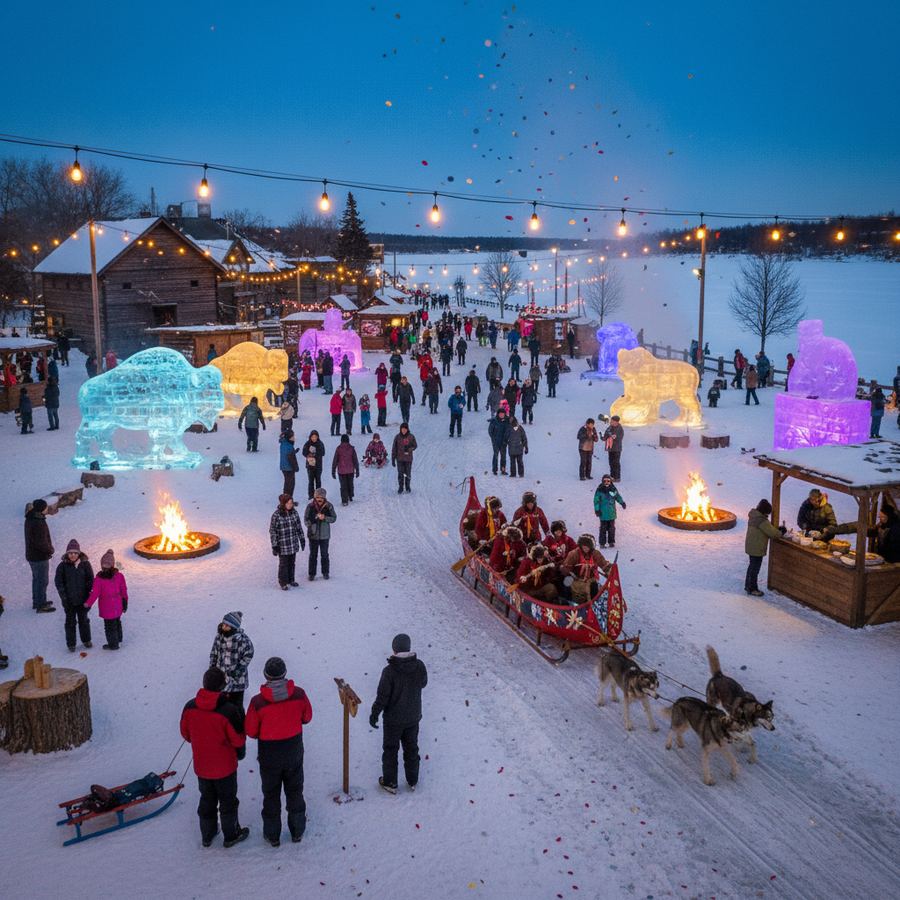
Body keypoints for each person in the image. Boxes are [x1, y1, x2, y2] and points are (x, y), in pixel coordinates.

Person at [245, 657, 313, 847]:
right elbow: (307, 717)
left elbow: (250, 730)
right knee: (295, 790)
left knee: (271, 793)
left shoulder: (258, 702)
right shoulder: (298, 695)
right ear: (284, 674)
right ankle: (297, 830)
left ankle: (272, 834)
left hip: (269, 754)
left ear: (266, 675)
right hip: (293, 751)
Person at [180, 667, 249, 849]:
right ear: (222, 686)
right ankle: (231, 834)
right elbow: (238, 739)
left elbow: (186, 734)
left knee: (207, 799)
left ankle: (207, 834)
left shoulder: (190, 706)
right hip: (225, 767)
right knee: (228, 801)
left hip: (202, 766)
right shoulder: (228, 710)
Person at [370, 633, 428, 794]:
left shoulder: (389, 671)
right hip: (413, 717)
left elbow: (383, 696)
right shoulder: (419, 666)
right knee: (411, 748)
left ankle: (390, 782)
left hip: (393, 720)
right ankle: (413, 780)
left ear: (394, 649)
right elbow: (423, 683)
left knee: (390, 749)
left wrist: (375, 713)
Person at [209, 611, 255, 717]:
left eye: (227, 626)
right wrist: (212, 668)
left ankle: (239, 725)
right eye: (223, 624)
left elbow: (249, 654)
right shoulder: (219, 637)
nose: (223, 627)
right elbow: (214, 653)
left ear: (233, 627)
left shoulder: (242, 640)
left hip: (237, 681)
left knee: (236, 706)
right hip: (221, 679)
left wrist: (239, 669)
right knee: (222, 705)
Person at [85, 549, 128, 650]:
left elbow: (123, 590)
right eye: (104, 564)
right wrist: (125, 601)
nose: (105, 566)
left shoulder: (102, 579)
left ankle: (113, 645)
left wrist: (88, 603)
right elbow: (95, 593)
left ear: (112, 564)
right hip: (115, 607)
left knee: (110, 626)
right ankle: (118, 639)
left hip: (109, 608)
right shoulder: (115, 576)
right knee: (116, 622)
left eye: (108, 564)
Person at [55, 539, 93, 650]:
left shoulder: (85, 564)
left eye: (75, 553)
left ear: (79, 554)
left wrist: (89, 597)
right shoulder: (62, 566)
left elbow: (90, 580)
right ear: (67, 554)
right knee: (70, 622)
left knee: (84, 621)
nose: (73, 555)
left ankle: (86, 640)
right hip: (69, 601)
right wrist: (64, 598)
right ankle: (71, 643)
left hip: (83, 600)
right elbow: (59, 583)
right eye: (70, 553)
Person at [744, 499, 786, 596]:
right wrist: (781, 531)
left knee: (751, 567)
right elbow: (773, 534)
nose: (767, 516)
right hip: (757, 548)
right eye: (767, 514)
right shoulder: (761, 520)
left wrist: (774, 528)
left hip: (751, 546)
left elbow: (767, 529)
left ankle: (748, 586)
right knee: (755, 569)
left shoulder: (754, 516)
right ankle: (752, 588)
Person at [269, 494, 306, 590]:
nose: (290, 505)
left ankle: (291, 579)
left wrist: (302, 538)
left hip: (293, 543)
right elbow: (273, 531)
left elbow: (298, 527)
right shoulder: (276, 515)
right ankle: (283, 582)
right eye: (288, 503)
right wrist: (274, 545)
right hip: (283, 545)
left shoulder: (294, 513)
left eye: (291, 503)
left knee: (292, 562)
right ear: (283, 503)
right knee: (283, 564)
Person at [561, 535, 611, 604]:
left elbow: (604, 564)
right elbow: (566, 567)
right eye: (583, 546)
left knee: (594, 587)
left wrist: (610, 571)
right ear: (580, 545)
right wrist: (569, 571)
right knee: (566, 581)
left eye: (587, 546)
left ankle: (593, 603)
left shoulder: (595, 554)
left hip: (591, 578)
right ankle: (568, 601)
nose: (586, 548)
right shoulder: (574, 554)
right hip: (576, 577)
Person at [24, 499, 55, 613]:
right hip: (39, 557)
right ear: (42, 508)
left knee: (37, 579)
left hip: (33, 555)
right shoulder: (37, 522)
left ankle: (38, 601)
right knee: (42, 580)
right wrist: (50, 550)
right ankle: (41, 605)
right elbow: (41, 542)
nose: (47, 509)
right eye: (46, 507)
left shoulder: (32, 518)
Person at [304, 488, 336, 580]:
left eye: (321, 497)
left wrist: (325, 518)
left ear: (324, 497)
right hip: (313, 535)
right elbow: (306, 520)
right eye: (317, 497)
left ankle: (325, 572)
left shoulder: (329, 506)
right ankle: (311, 574)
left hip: (325, 535)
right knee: (313, 555)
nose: (319, 499)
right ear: (315, 497)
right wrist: (312, 523)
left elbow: (334, 518)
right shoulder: (310, 506)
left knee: (324, 554)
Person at [593, 474, 626, 548]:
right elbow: (596, 501)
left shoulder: (613, 489)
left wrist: (622, 502)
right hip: (603, 514)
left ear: (611, 481)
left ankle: (611, 541)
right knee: (603, 529)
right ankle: (602, 543)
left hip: (611, 514)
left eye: (608, 481)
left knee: (611, 528)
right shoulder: (600, 490)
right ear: (602, 481)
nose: (606, 482)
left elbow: (617, 496)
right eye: (605, 481)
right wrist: (597, 510)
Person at [331, 434, 360, 506]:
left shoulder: (338, 448)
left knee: (343, 485)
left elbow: (335, 460)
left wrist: (333, 471)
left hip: (341, 471)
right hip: (350, 470)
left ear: (341, 440)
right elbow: (355, 460)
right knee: (350, 483)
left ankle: (344, 500)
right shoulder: (351, 448)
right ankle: (350, 496)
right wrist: (357, 469)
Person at [391, 422, 418, 494]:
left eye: (405, 429)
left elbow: (415, 445)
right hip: (399, 459)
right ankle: (400, 487)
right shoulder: (397, 437)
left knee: (407, 473)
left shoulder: (411, 436)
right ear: (400, 429)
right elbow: (394, 448)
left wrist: (410, 448)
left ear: (407, 429)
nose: (403, 430)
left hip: (408, 459)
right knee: (400, 473)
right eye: (402, 429)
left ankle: (407, 486)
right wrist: (393, 459)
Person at [301, 430, 325, 500]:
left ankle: (318, 495)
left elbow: (323, 453)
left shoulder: (320, 443)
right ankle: (311, 495)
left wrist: (315, 454)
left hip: (318, 465)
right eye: (312, 437)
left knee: (318, 480)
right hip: (310, 465)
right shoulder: (307, 443)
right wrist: (309, 454)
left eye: (315, 437)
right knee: (310, 481)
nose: (314, 438)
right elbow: (304, 452)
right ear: (310, 437)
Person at [488, 407, 511, 476]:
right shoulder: (494, 421)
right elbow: (490, 431)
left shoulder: (507, 421)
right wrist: (493, 439)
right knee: (495, 455)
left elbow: (509, 431)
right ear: (498, 414)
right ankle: (494, 470)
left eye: (503, 414)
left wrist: (507, 439)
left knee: (503, 456)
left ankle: (503, 470)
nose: (501, 415)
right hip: (496, 441)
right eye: (500, 414)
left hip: (504, 442)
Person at [602, 415, 624, 482]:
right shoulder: (610, 427)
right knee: (611, 462)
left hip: (617, 448)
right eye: (611, 421)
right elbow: (606, 434)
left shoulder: (619, 428)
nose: (611, 422)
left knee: (616, 463)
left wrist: (613, 435)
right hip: (610, 448)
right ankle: (612, 476)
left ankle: (617, 477)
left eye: (612, 421)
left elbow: (618, 437)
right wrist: (603, 437)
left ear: (616, 422)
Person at [279, 431, 300, 498]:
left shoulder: (283, 443)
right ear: (289, 437)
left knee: (287, 483)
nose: (294, 438)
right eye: (292, 436)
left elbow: (287, 454)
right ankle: (287, 500)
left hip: (284, 467)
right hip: (289, 467)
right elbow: (290, 457)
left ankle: (287, 499)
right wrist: (295, 467)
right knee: (290, 485)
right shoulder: (289, 446)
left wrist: (294, 452)